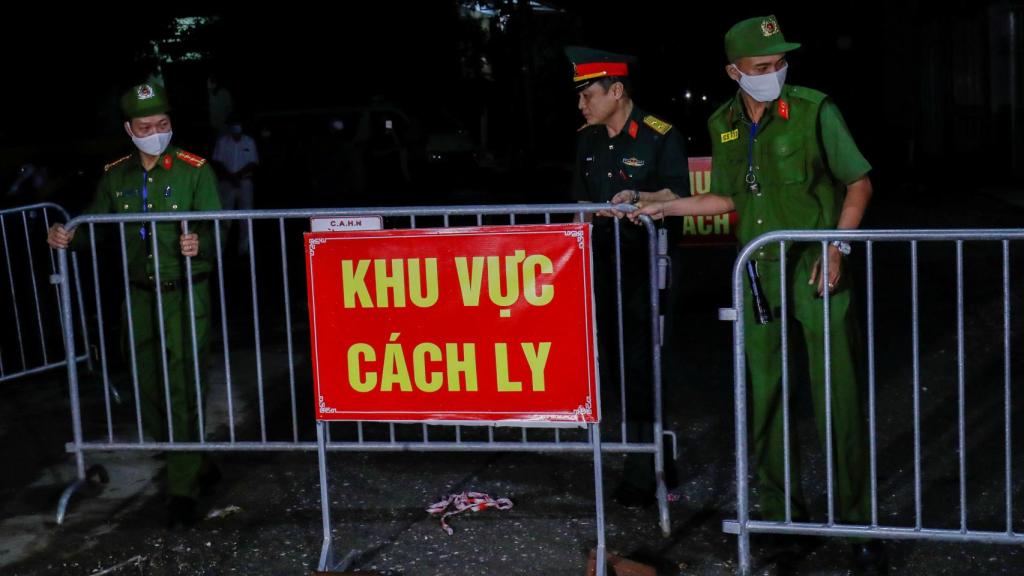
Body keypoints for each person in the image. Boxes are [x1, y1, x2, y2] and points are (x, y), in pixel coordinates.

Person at [626, 15, 884, 569]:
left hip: (815, 266)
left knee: (834, 392)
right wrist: (660, 204)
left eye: (779, 64)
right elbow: (725, 199)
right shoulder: (722, 122)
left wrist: (838, 248)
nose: (774, 74)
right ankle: (778, 514)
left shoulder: (814, 109)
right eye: (761, 67)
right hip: (757, 270)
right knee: (764, 392)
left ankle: (857, 524)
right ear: (733, 72)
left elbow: (857, 183)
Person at [47, 82, 222, 527]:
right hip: (139, 299)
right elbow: (93, 224)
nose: (156, 132)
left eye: (163, 124)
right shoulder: (117, 175)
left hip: (185, 294)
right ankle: (194, 458)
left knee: (183, 386)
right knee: (148, 389)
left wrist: (199, 243)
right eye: (146, 126)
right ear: (129, 129)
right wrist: (66, 234)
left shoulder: (194, 171)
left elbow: (223, 232)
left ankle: (182, 488)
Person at [565, 46, 689, 506]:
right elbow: (577, 200)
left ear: (616, 91)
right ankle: (652, 455)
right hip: (603, 267)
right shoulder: (588, 140)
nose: (582, 105)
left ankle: (644, 470)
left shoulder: (660, 135)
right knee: (616, 367)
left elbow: (679, 194)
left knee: (645, 367)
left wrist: (642, 196)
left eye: (588, 95)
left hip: (647, 268)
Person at [212, 116, 259, 254]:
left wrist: (238, 176)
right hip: (227, 183)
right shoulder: (222, 142)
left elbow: (253, 162)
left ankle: (245, 248)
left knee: (246, 215)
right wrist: (230, 177)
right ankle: (220, 248)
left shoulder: (249, 142)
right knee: (225, 215)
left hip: (245, 183)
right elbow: (217, 161)